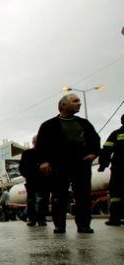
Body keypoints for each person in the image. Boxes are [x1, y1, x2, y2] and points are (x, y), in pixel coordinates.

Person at [36, 93, 100, 234]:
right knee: (59, 196)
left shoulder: (84, 123)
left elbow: (95, 139)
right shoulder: (48, 125)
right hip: (59, 166)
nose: (79, 103)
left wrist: (93, 153)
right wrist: (44, 161)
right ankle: (59, 225)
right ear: (63, 105)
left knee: (83, 195)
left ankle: (84, 225)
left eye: (79, 101)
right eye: (75, 101)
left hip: (81, 164)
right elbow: (41, 145)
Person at [98, 113, 124, 226]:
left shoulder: (117, 134)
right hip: (119, 168)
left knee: (116, 194)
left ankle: (115, 219)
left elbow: (107, 149)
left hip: (119, 168)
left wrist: (103, 165)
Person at [19, 135, 49, 226]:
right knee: (31, 200)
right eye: (36, 141)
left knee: (44, 200)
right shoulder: (27, 153)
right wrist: (29, 174)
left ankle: (42, 219)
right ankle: (32, 219)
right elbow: (22, 168)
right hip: (32, 180)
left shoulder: (46, 153)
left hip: (44, 180)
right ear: (33, 142)